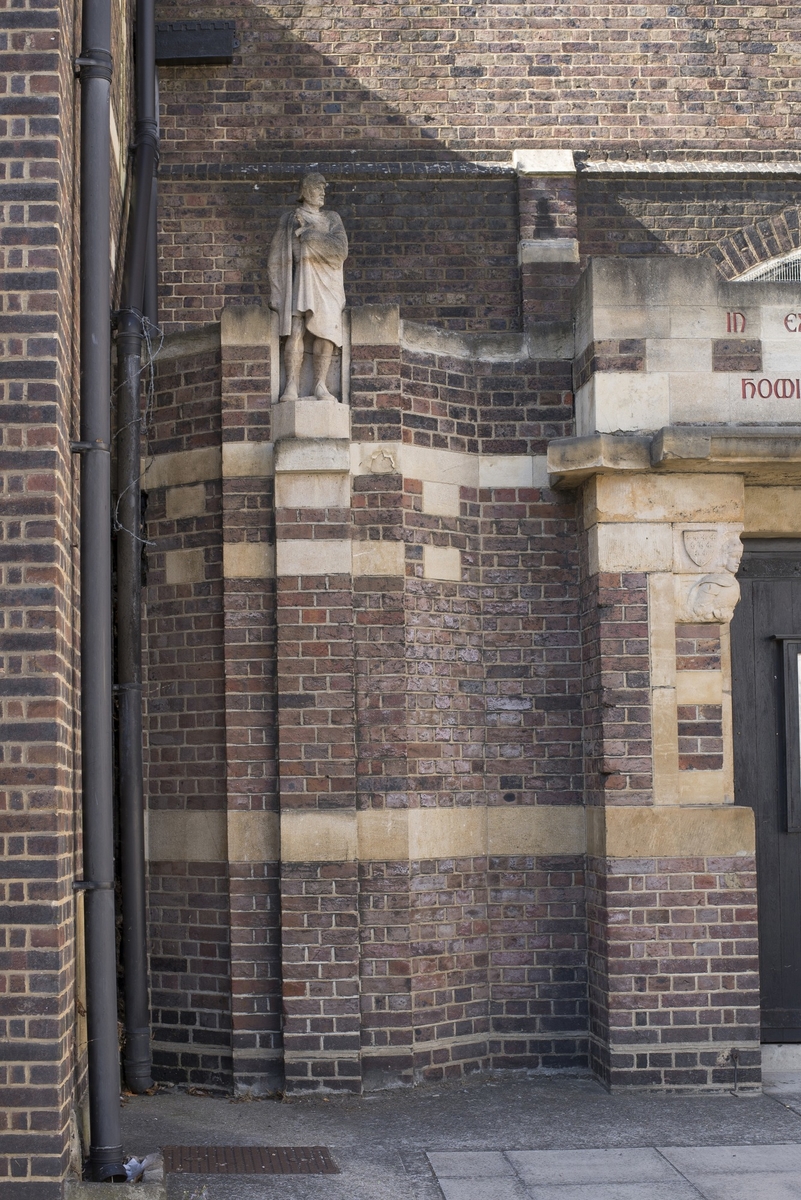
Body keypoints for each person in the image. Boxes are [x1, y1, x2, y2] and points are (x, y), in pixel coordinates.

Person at [268, 171, 348, 402]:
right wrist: (276, 291)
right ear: (304, 191)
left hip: (328, 282)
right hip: (298, 281)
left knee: (326, 332)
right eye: (317, 187)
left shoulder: (332, 218)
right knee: (296, 329)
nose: (322, 192)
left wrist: (310, 235)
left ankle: (320, 385)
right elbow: (276, 259)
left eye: (324, 188)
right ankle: (291, 384)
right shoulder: (290, 219)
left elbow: (340, 249)